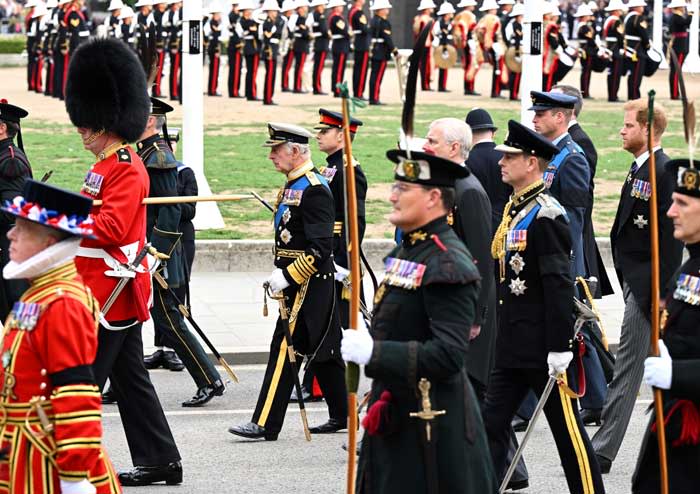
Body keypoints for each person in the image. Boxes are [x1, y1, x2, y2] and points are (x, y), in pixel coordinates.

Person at [342, 146, 497, 493]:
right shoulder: (410, 249)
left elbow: (448, 355)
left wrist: (374, 354)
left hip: (432, 433)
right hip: (399, 416)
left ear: (433, 198)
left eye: (403, 189)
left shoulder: (448, 263)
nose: (392, 196)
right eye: (395, 187)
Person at [65, 37, 182, 486]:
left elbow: (111, 228)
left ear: (100, 124)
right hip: (98, 284)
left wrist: (65, 222)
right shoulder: (102, 164)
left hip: (110, 293)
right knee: (131, 381)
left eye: (84, 126)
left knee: (82, 383)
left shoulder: (127, 166)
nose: (80, 132)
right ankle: (161, 459)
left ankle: (67, 461)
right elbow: (88, 206)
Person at [484, 119, 605, 493]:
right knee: (489, 427)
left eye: (510, 156)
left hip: (542, 348)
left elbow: (556, 284)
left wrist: (559, 348)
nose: (501, 161)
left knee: (569, 437)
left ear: (532, 162)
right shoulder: (514, 208)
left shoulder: (547, 213)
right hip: (511, 345)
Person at [0, 180, 122, 494]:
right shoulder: (40, 293)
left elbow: (76, 392)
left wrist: (73, 476)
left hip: (49, 461)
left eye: (22, 229)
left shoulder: (63, 303)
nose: (11, 234)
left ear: (49, 241)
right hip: (25, 451)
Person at [229, 123, 347, 440]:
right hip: (297, 282)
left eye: (275, 150)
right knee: (325, 349)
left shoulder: (315, 188)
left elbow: (322, 249)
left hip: (306, 284)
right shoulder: (294, 184)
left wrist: (287, 275)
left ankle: (266, 422)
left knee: (285, 348)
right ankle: (342, 414)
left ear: (295, 151)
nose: (270, 156)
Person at [592, 98, 683, 474]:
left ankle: (603, 449)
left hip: (648, 287)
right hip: (634, 279)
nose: (621, 130)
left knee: (629, 366)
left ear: (648, 130)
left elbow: (669, 241)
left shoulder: (662, 171)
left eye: (628, 125)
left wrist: (655, 294)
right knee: (638, 365)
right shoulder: (638, 169)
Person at [137, 97, 225, 406]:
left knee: (168, 320)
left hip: (156, 254)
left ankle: (209, 379)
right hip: (145, 251)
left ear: (150, 121)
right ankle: (120, 383)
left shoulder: (158, 157)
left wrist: (156, 256)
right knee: (135, 319)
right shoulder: (146, 153)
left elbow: (170, 210)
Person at [632, 157, 700, 493]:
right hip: (672, 428)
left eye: (682, 203)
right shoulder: (689, 267)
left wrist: (678, 374)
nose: (671, 212)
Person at [422, 117, 495, 399]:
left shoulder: (469, 191)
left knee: (471, 399)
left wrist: (475, 317)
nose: (426, 146)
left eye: (432, 142)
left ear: (453, 148)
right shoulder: (446, 186)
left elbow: (480, 258)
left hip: (462, 311)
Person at [530, 91, 590, 280]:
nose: (533, 120)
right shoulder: (546, 152)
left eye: (540, 115)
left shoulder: (572, 158)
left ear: (559, 117)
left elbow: (572, 218)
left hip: (558, 261)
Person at [0, 100, 32, 322]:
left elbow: (13, 210)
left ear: (2, 128)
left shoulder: (10, 160)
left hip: (12, 247)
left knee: (18, 312)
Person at [464, 108, 511, 235]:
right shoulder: (506, 157)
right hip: (505, 224)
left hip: (476, 225)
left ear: (469, 134)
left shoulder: (466, 161)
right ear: (493, 133)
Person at [368, 0, 396, 106]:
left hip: (376, 50)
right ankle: (374, 98)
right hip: (381, 51)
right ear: (380, 10)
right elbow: (387, 38)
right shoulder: (383, 22)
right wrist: (394, 50)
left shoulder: (374, 20)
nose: (387, 10)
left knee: (374, 75)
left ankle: (373, 97)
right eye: (385, 8)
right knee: (377, 76)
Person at [476, 0, 505, 98]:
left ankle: (496, 91)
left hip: (490, 45)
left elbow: (479, 32)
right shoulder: (493, 19)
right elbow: (493, 33)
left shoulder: (482, 19)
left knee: (496, 69)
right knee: (498, 68)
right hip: (495, 45)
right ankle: (496, 91)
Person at [667, 0, 694, 100]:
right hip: (679, 46)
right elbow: (687, 22)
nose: (684, 8)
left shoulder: (676, 16)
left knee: (675, 71)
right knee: (676, 71)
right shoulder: (676, 17)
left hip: (678, 44)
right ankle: (674, 94)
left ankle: (675, 93)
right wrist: (691, 13)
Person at [623, 0, 649, 101]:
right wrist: (647, 46)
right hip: (637, 50)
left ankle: (632, 95)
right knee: (637, 74)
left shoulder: (628, 17)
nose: (643, 8)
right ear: (636, 7)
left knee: (632, 74)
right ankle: (634, 96)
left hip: (630, 48)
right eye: (641, 6)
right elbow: (644, 34)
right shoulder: (638, 18)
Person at [260, 0, 283, 106]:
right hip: (269, 50)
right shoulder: (267, 23)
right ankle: (267, 99)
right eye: (273, 11)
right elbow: (268, 37)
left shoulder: (276, 22)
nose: (275, 13)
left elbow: (278, 35)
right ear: (268, 12)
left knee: (273, 75)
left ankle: (270, 97)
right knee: (269, 75)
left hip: (274, 49)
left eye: (276, 11)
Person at [453, 0, 478, 96]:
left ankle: (469, 87)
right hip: (470, 42)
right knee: (471, 64)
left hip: (468, 42)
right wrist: (465, 40)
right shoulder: (468, 15)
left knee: (469, 64)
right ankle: (469, 87)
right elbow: (464, 28)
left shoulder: (461, 15)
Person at [602, 0, 625, 102]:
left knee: (611, 73)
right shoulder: (616, 21)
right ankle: (613, 96)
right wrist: (621, 48)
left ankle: (611, 94)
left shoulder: (608, 20)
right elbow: (620, 36)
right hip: (615, 49)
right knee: (616, 74)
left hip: (609, 48)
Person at [327, 0, 349, 97]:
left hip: (341, 44)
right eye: (340, 6)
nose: (342, 8)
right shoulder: (336, 18)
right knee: (338, 69)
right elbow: (344, 30)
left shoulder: (337, 17)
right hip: (340, 45)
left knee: (339, 68)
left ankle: (337, 87)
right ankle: (337, 89)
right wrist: (349, 34)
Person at [349, 0, 370, 99]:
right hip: (362, 43)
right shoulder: (359, 13)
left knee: (358, 68)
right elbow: (364, 29)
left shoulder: (352, 11)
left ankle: (357, 91)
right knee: (361, 70)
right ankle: (359, 92)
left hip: (358, 42)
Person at [432, 2, 455, 93]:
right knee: (442, 65)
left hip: (445, 45)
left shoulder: (448, 23)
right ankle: (441, 86)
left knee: (445, 66)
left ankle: (443, 85)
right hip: (441, 46)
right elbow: (438, 34)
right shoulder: (440, 23)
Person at [413, 0, 435, 91]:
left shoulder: (417, 18)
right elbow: (431, 33)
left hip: (419, 44)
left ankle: (425, 84)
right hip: (426, 44)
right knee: (426, 65)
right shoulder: (429, 19)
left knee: (422, 65)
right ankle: (425, 84)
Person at [575, 3, 596, 99]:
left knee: (586, 72)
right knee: (586, 72)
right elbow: (591, 40)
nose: (590, 16)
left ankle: (585, 91)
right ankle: (585, 92)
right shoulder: (584, 27)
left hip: (586, 50)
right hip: (587, 51)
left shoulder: (583, 26)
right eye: (588, 15)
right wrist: (597, 48)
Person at [204, 1, 224, 97]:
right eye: (218, 14)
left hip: (213, 47)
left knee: (214, 69)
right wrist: (217, 50)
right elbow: (213, 38)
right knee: (214, 69)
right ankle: (212, 90)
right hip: (214, 48)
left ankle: (212, 89)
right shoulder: (213, 23)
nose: (219, 15)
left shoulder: (214, 22)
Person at [310, 0, 329, 95]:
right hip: (321, 44)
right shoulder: (320, 16)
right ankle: (317, 87)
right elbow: (324, 30)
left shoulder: (315, 15)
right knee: (318, 67)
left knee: (318, 67)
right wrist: (329, 34)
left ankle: (317, 86)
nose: (324, 7)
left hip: (319, 43)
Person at [291, 0, 311, 93]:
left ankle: (297, 86)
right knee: (299, 67)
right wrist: (309, 35)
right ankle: (297, 87)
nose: (306, 8)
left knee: (299, 66)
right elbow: (304, 33)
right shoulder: (301, 19)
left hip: (300, 44)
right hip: (301, 45)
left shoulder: (300, 19)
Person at [504, 2, 523, 100]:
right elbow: (509, 38)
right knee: (514, 73)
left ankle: (515, 93)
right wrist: (515, 52)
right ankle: (513, 94)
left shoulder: (521, 24)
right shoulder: (512, 25)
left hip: (520, 49)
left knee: (518, 74)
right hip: (515, 50)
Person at [167, 0, 182, 102]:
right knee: (174, 70)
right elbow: (174, 31)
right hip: (174, 45)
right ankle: (174, 93)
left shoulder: (175, 13)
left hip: (177, 44)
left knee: (176, 70)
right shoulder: (173, 14)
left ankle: (175, 91)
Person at [227, 0, 243, 98]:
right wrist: (240, 44)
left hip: (234, 45)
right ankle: (234, 91)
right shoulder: (233, 16)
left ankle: (234, 90)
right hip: (235, 46)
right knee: (235, 69)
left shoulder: (234, 16)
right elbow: (235, 32)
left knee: (236, 69)